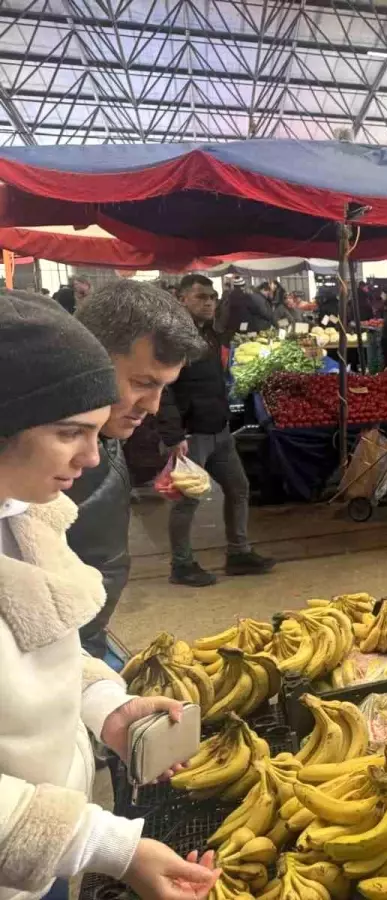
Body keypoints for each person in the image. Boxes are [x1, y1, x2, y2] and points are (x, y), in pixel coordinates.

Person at [0, 289, 220, 900]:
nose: (94, 456)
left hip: (36, 859)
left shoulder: (26, 516)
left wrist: (105, 705)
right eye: (71, 431)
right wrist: (110, 848)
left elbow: (45, 641)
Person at [69, 281, 207, 658]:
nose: (154, 405)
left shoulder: (107, 437)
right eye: (142, 383)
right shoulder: (27, 455)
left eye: (163, 387)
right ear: (88, 356)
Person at [157, 274, 275, 586]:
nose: (209, 302)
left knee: (238, 487)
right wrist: (173, 435)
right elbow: (163, 390)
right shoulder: (173, 340)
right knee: (187, 500)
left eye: (212, 297)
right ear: (182, 299)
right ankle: (181, 565)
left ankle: (239, 553)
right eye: (201, 297)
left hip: (219, 430)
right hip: (190, 435)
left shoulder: (211, 334)